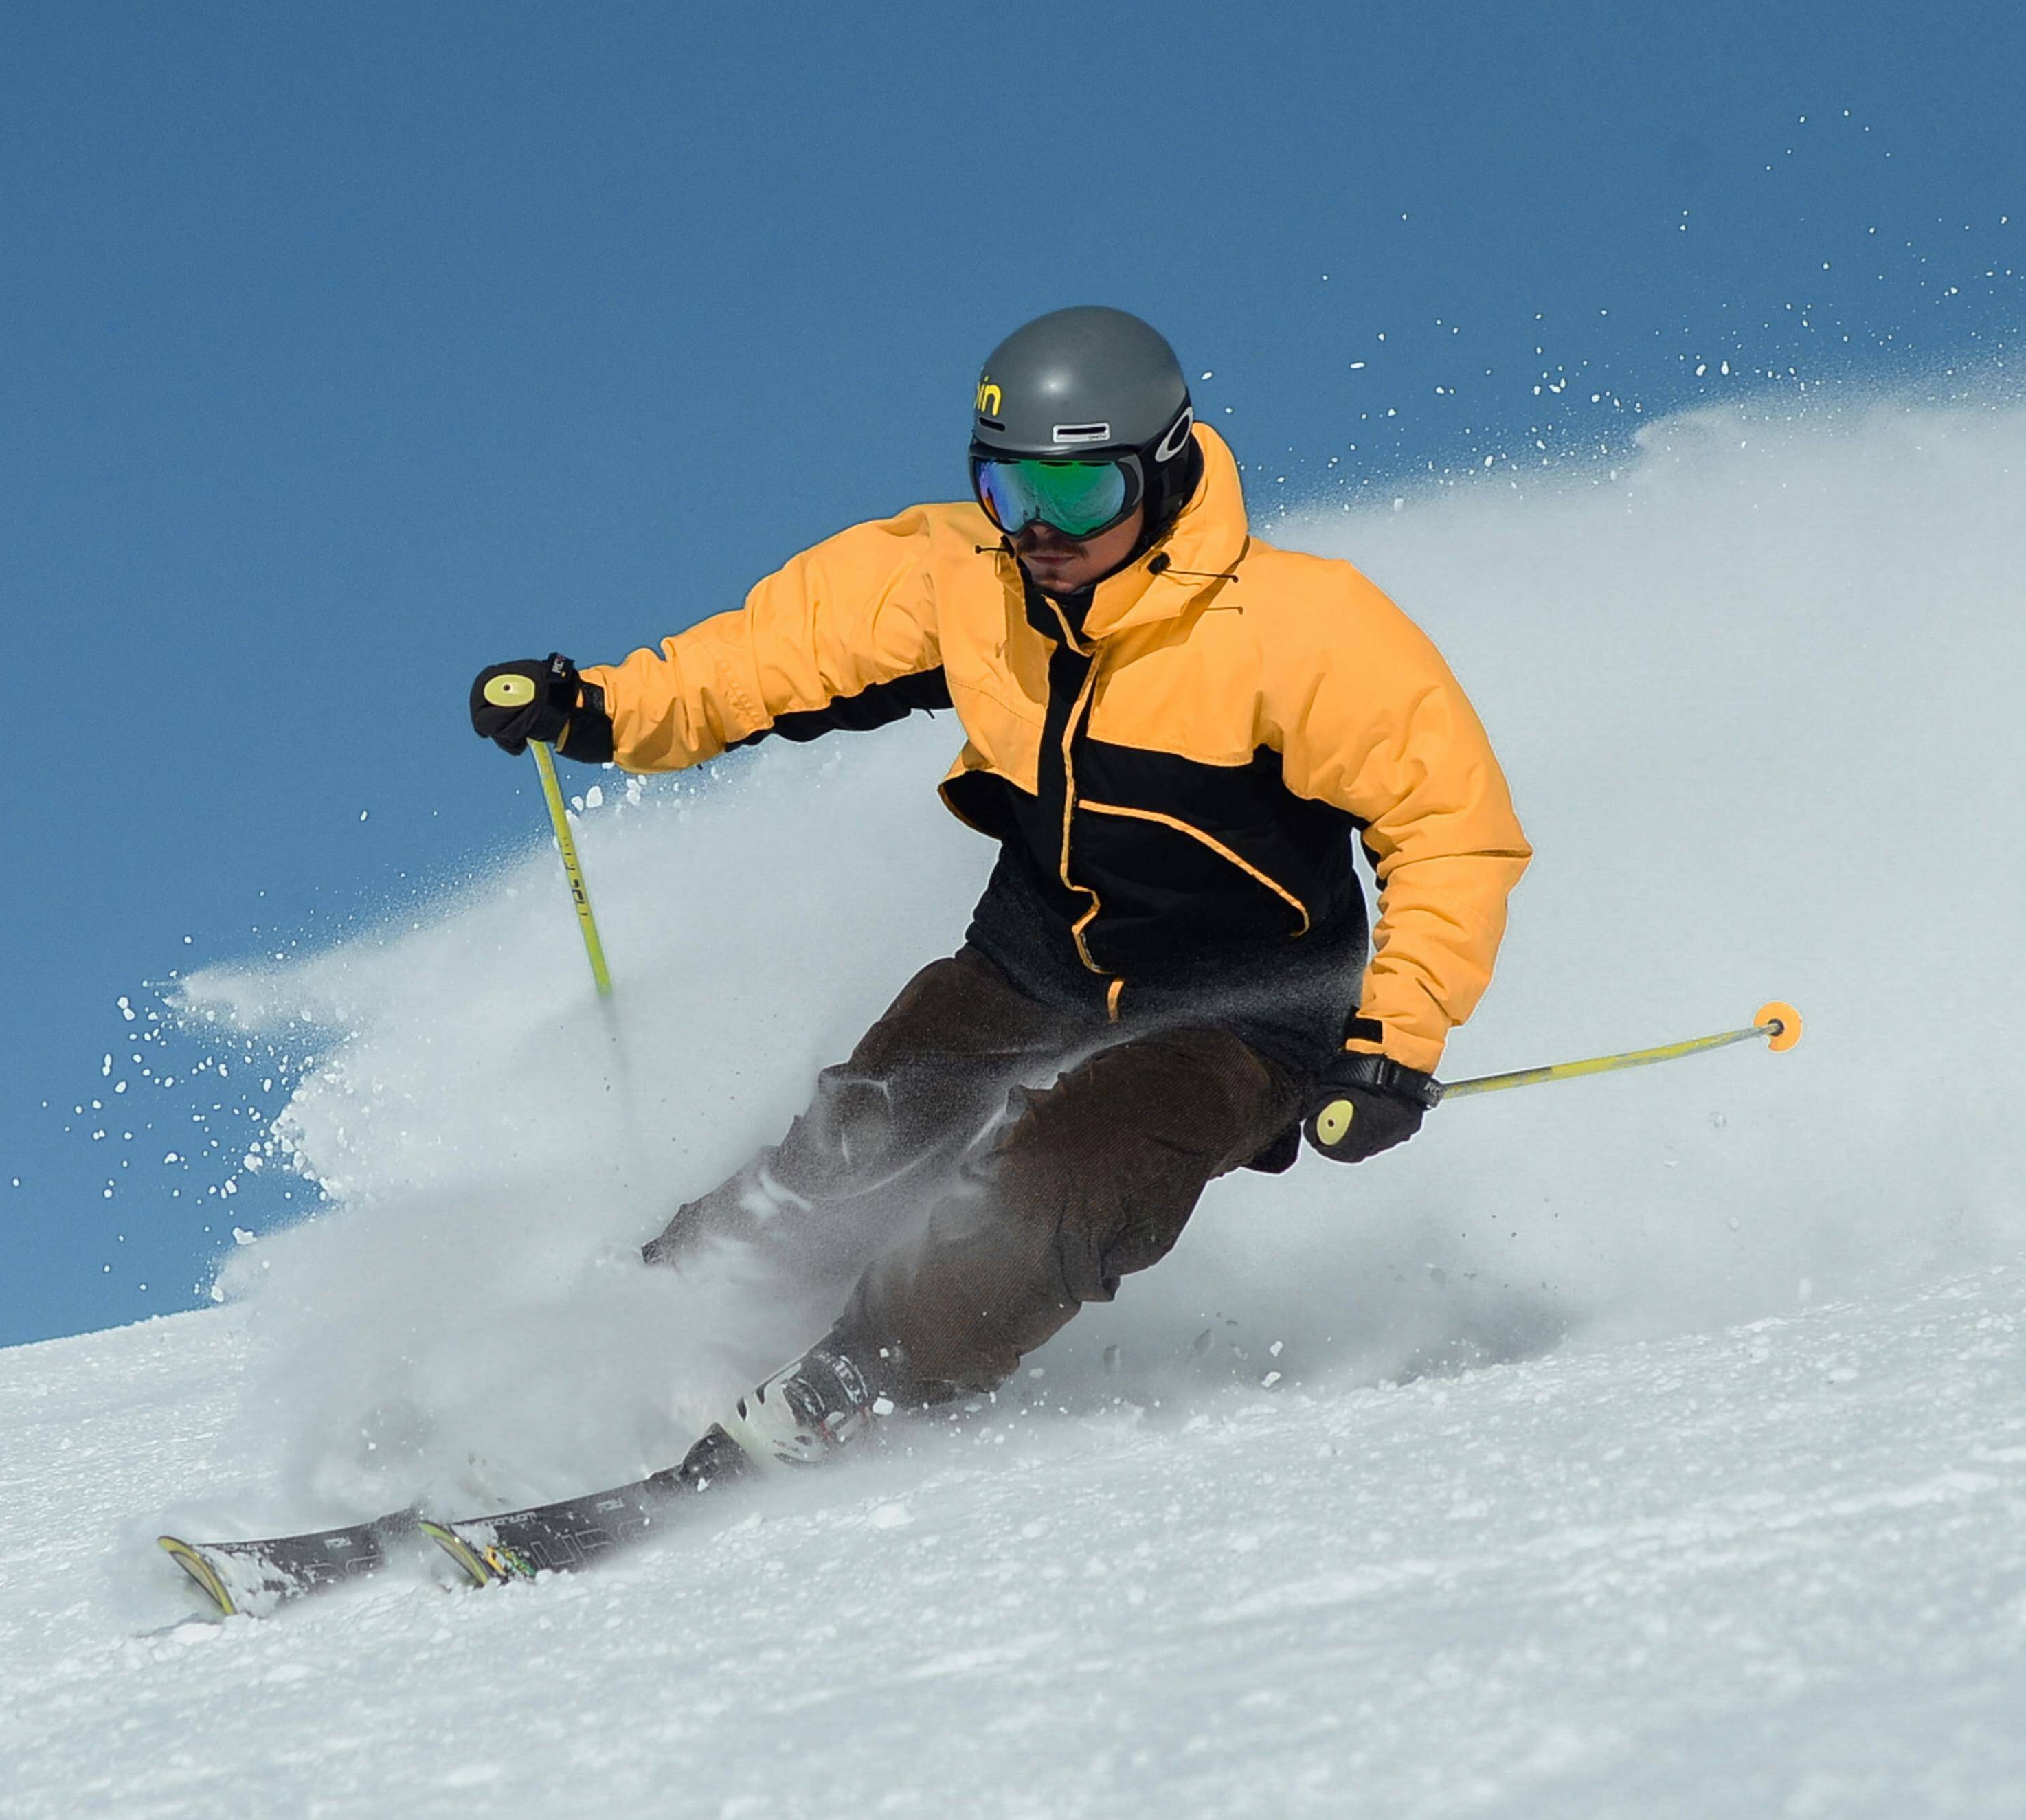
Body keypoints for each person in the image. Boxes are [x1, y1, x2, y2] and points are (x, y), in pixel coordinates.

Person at [469, 306, 1529, 1472]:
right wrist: (610, 708)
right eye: (1006, 492)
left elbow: (1452, 827)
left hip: (1249, 1009)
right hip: (1039, 959)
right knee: (857, 1141)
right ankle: (635, 1336)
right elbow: (780, 652)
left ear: (1163, 472)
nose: (1037, 532)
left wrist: (1393, 1043)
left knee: (1054, 1182)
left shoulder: (1302, 629)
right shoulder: (971, 579)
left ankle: (851, 1385)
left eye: (1074, 499)